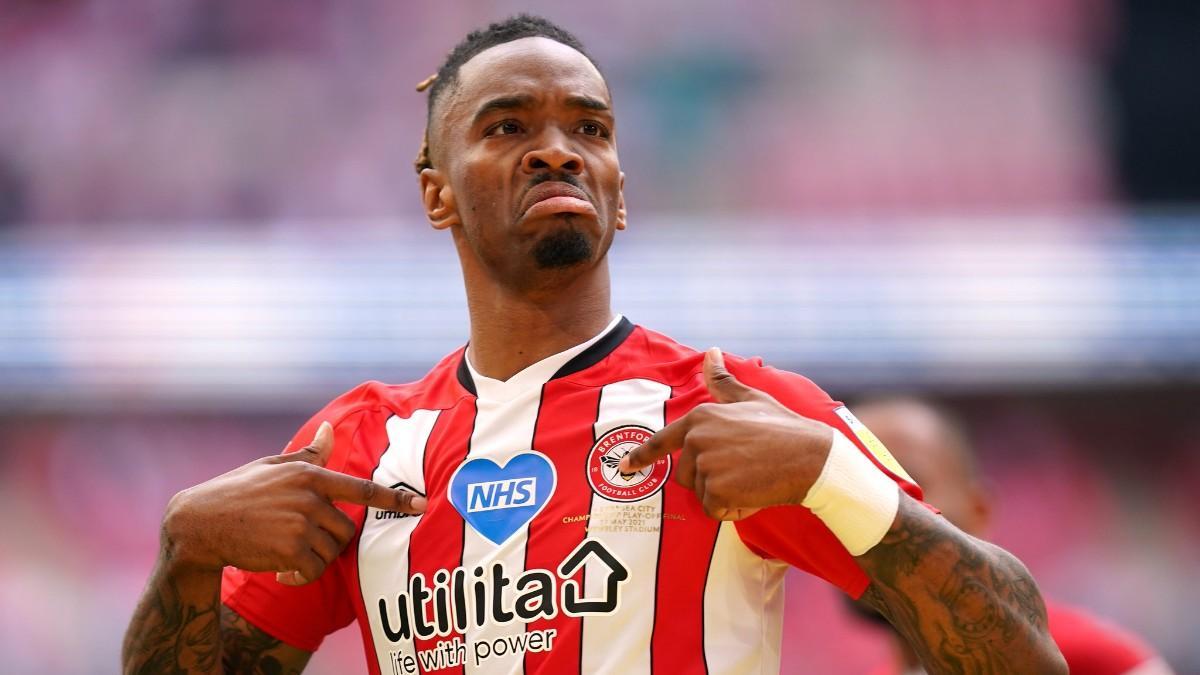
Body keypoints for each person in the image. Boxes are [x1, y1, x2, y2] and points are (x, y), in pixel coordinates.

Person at [122, 15, 1066, 675]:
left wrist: (831, 474)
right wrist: (184, 558)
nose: (558, 149)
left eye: (590, 128)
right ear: (435, 192)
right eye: (507, 127)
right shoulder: (361, 451)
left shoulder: (732, 404)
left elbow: (1024, 655)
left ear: (620, 185)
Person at [847, 396, 1174, 675]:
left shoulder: (1099, 662)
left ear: (979, 511)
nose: (871, 510)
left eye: (905, 483)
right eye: (848, 491)